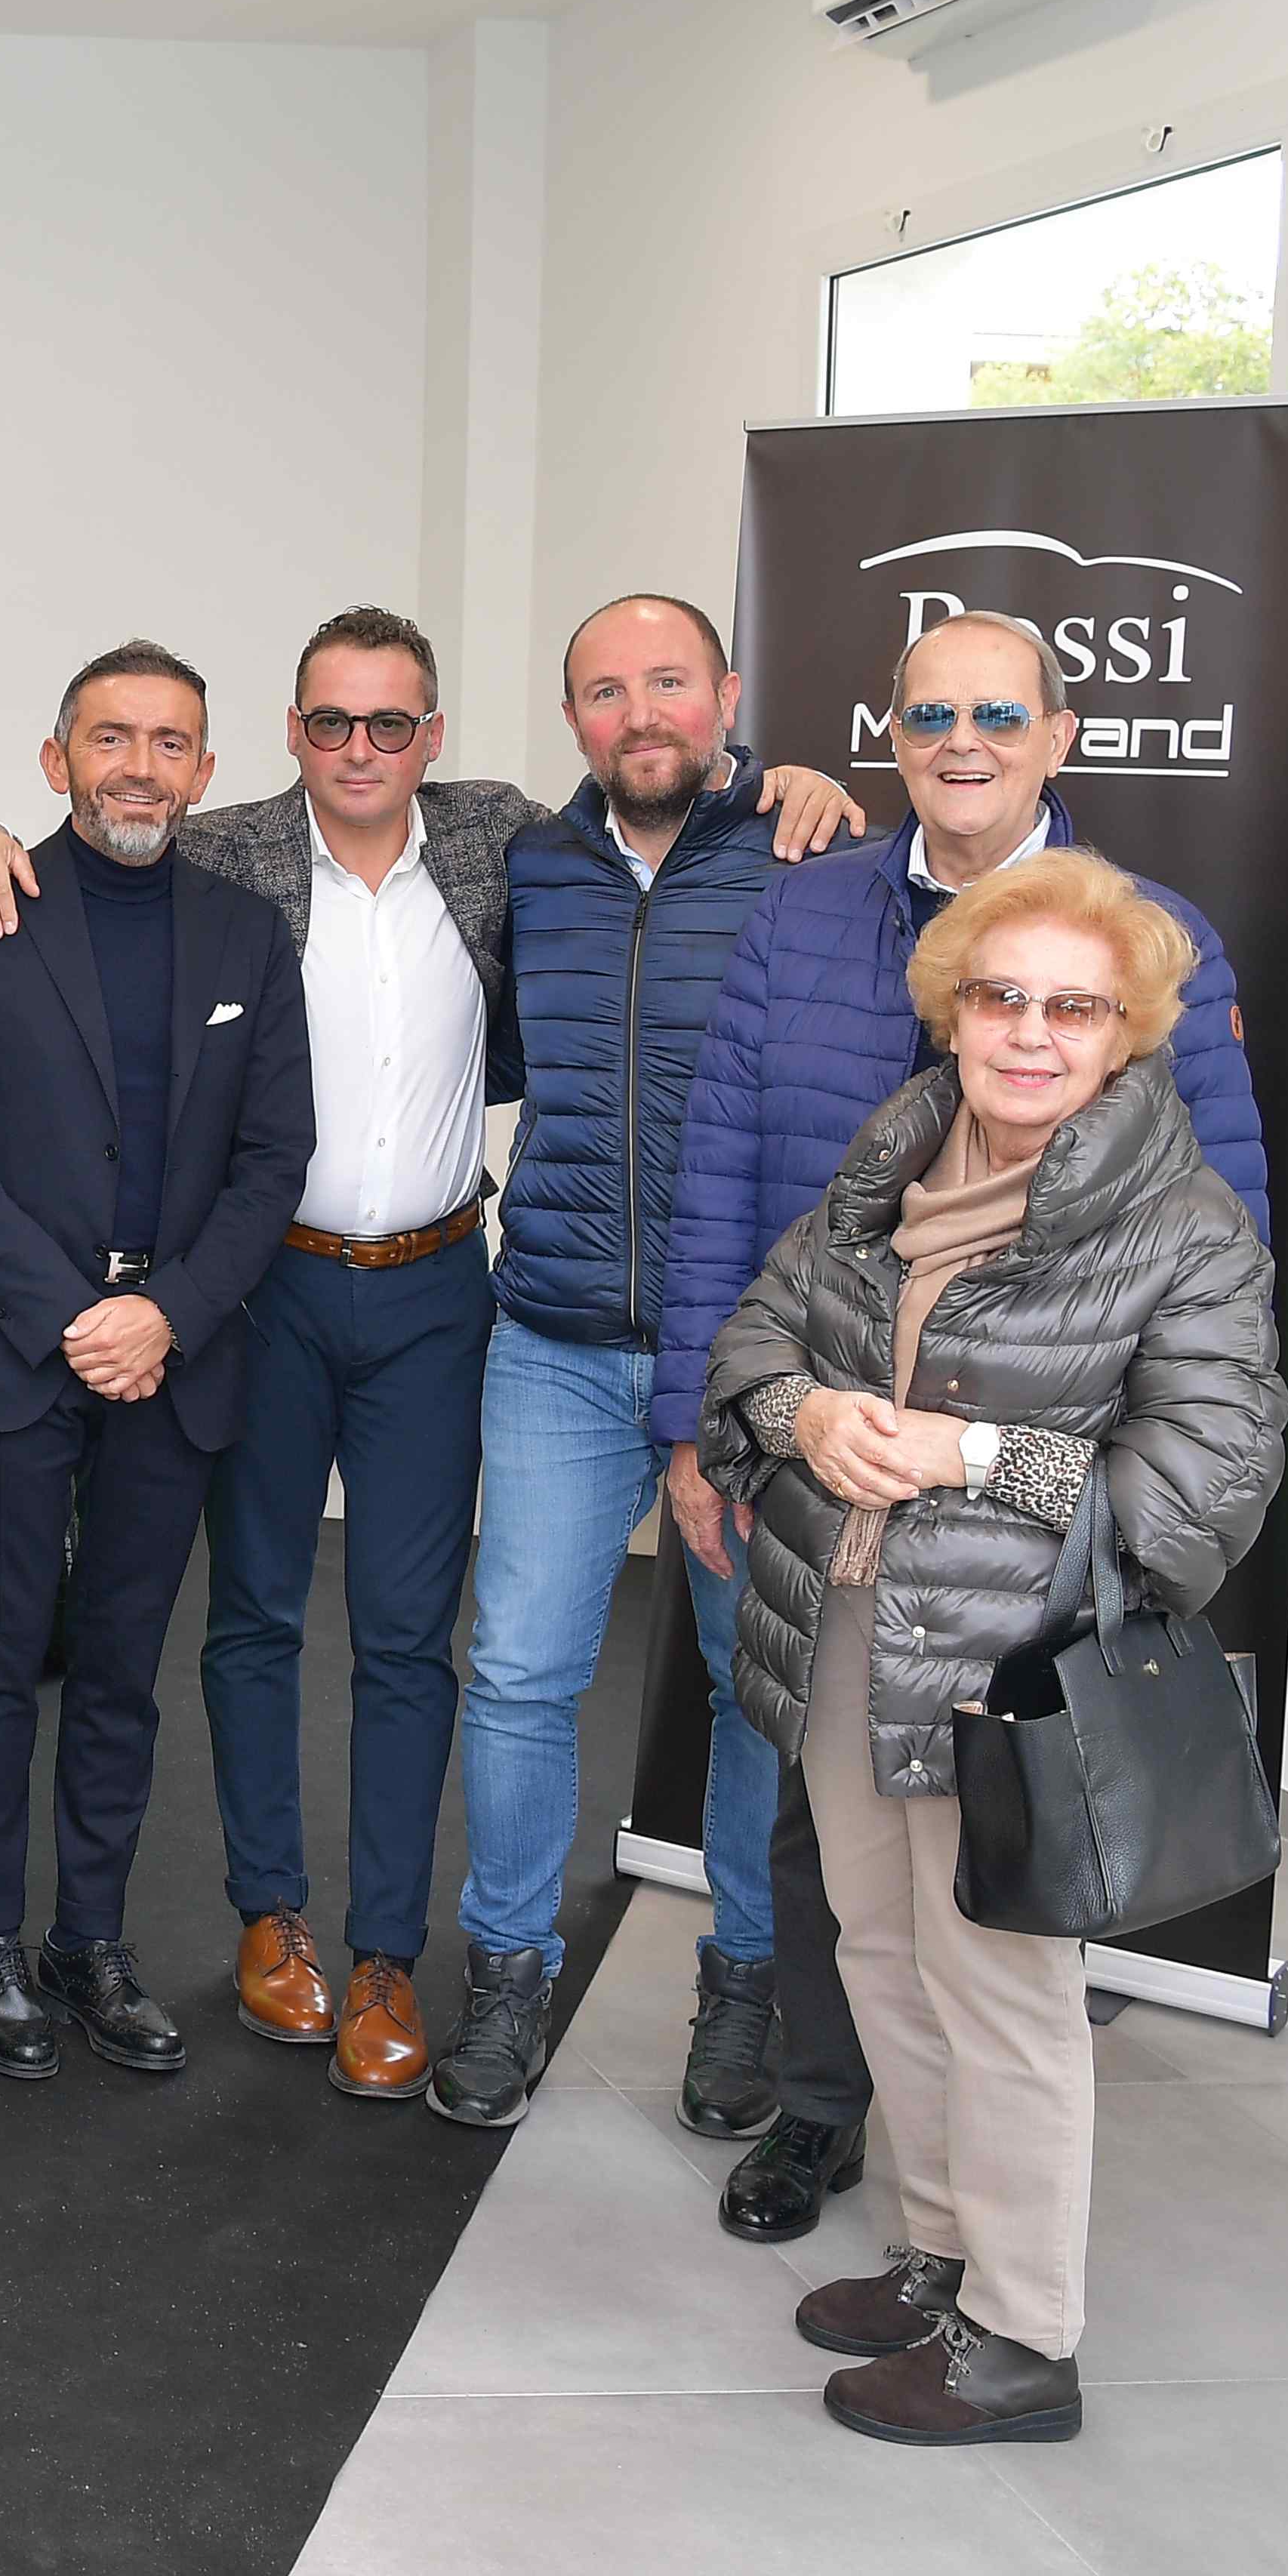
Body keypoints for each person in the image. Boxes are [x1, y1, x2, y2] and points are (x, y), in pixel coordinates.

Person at [0, 615, 855, 2101]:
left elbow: (671, 790)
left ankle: (384, 1955)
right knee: (252, 1618)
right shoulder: (228, 852)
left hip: (436, 1291)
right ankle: (272, 1921)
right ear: (289, 735)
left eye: (390, 723)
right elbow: (88, 842)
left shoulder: (505, 847)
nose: (359, 748)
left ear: (434, 737)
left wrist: (780, 779)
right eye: (330, 722)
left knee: (413, 1637)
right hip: (265, 1291)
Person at [658, 607, 1268, 2242]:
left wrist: (994, 1457)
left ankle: (1008, 2295)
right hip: (831, 1523)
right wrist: (741, 1421)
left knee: (990, 1940)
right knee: (845, 1874)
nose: (964, 741)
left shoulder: (1158, 958)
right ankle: (848, 2140)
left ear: (1060, 737)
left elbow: (1215, 1307)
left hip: (1017, 1577)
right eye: (931, 713)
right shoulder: (817, 945)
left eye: (1001, 713)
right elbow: (729, 1196)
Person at [701, 849, 1283, 2447]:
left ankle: (1023, 2338)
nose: (1030, 1033)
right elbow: (755, 1336)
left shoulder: (1185, 1227)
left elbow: (1198, 1496)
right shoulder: (889, 1164)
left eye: (1072, 1008)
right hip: (849, 1622)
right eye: (1001, 997)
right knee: (881, 1951)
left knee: (1005, 1993)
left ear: (1128, 1031)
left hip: (1008, 1667)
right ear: (951, 1012)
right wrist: (804, 1413)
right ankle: (943, 2249)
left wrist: (972, 1455)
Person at [0, 640, 313, 2079]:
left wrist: (166, 1316)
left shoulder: (247, 935)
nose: (140, 767)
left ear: (206, 768)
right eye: (111, 737)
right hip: (12, 1348)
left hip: (174, 1359)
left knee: (125, 1670)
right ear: (56, 756)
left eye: (169, 742)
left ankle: (90, 1941)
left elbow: (275, 1157)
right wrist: (77, 1313)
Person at [430, 594, 795, 2133]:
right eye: (605, 690)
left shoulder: (808, 854)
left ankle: (749, 1983)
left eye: (669, 681)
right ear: (572, 714)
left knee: (755, 1686)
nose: (640, 713)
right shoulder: (531, 864)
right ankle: (508, 1972)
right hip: (558, 1341)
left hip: (752, 1363)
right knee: (519, 1673)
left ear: (725, 693)